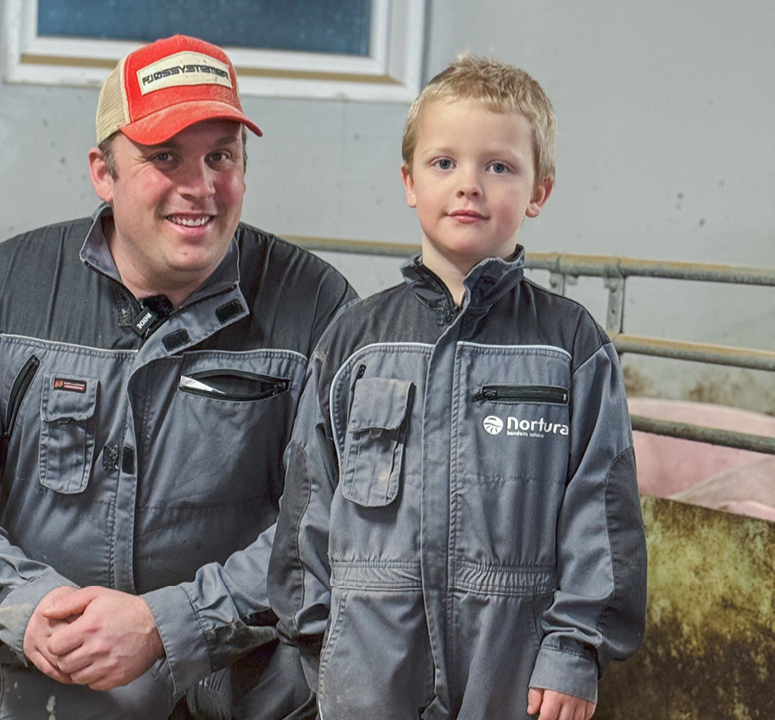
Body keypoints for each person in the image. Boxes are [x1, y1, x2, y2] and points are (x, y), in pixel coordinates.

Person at [0, 34, 356, 719]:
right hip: (69, 668)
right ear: (102, 172)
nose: (200, 186)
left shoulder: (316, 305)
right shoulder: (7, 290)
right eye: (164, 157)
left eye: (221, 156)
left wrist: (172, 624)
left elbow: (338, 516)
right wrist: (29, 605)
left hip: (256, 677)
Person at [268, 55, 647, 720]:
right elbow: (308, 502)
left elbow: (602, 513)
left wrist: (573, 650)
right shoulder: (356, 341)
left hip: (514, 662)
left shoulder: (570, 346)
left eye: (499, 166)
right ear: (409, 181)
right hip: (368, 658)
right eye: (444, 163)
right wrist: (316, 637)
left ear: (539, 191)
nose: (469, 184)